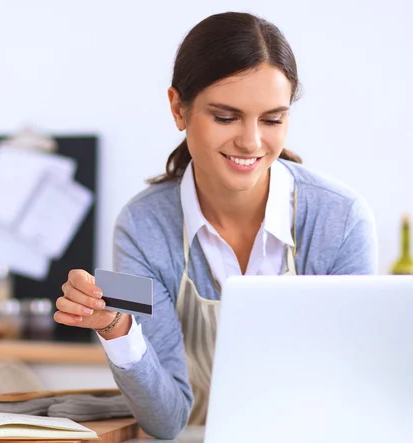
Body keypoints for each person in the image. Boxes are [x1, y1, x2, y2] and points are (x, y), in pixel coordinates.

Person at [54, 11, 378, 439]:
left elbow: (356, 392)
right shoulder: (143, 228)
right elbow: (166, 420)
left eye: (272, 119)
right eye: (226, 117)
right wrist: (117, 327)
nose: (251, 141)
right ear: (178, 108)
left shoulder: (340, 219)